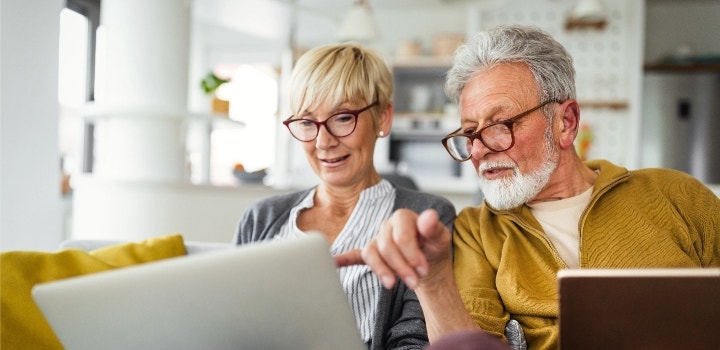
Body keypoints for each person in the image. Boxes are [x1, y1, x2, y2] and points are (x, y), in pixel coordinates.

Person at [335, 24, 720, 349]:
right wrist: (432, 282)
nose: (480, 151)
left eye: (501, 125)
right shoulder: (475, 232)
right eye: (470, 133)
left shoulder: (677, 195)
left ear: (566, 122)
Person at [233, 42, 456, 350]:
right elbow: (233, 325)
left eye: (342, 118)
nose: (323, 142)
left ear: (383, 118)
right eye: (307, 122)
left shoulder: (426, 217)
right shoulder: (262, 218)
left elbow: (415, 342)